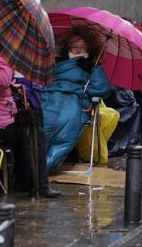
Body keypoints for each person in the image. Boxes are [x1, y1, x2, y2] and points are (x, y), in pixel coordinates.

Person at [0, 36, 60, 198]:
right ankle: (39, 186)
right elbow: (1, 80)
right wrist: (5, 58)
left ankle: (26, 183)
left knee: (29, 127)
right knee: (35, 134)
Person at [42, 27, 111, 172]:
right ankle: (34, 165)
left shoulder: (93, 68)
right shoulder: (55, 64)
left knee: (66, 131)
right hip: (51, 96)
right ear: (67, 48)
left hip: (75, 101)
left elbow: (102, 88)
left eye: (82, 47)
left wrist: (92, 70)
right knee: (43, 125)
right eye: (74, 47)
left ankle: (41, 170)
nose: (78, 51)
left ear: (89, 49)